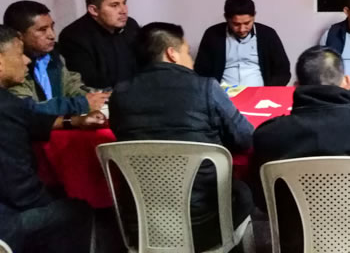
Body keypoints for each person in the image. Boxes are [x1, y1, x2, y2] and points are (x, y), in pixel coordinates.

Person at [250, 46, 350, 253]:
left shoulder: (269, 134)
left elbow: (262, 201)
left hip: (297, 246)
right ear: (346, 81)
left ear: (297, 86)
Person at [0, 24, 106, 253]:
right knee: (76, 210)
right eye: (20, 54)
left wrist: (73, 121)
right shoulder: (0, 106)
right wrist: (53, 203)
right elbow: (21, 192)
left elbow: (27, 117)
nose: (27, 61)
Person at [109, 22, 255, 252]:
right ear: (172, 53)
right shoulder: (206, 88)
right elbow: (245, 138)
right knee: (244, 191)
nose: (192, 60)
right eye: (187, 52)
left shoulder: (120, 94)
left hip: (143, 227)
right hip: (204, 226)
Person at [3, 0, 110, 114]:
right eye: (42, 30)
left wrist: (101, 96)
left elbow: (71, 86)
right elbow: (28, 109)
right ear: (19, 36)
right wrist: (81, 104)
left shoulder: (52, 54)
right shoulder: (11, 68)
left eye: (52, 27)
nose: (52, 35)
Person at [59, 0, 140, 89]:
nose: (123, 10)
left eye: (124, 3)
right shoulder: (73, 36)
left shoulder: (130, 25)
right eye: (114, 5)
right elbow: (88, 83)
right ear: (94, 10)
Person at [195, 0, 290, 86]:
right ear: (226, 18)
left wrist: (268, 92)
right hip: (221, 93)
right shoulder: (212, 35)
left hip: (260, 92)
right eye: (236, 24)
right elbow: (201, 70)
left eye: (247, 23)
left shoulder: (268, 34)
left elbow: (283, 70)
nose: (242, 29)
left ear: (254, 16)